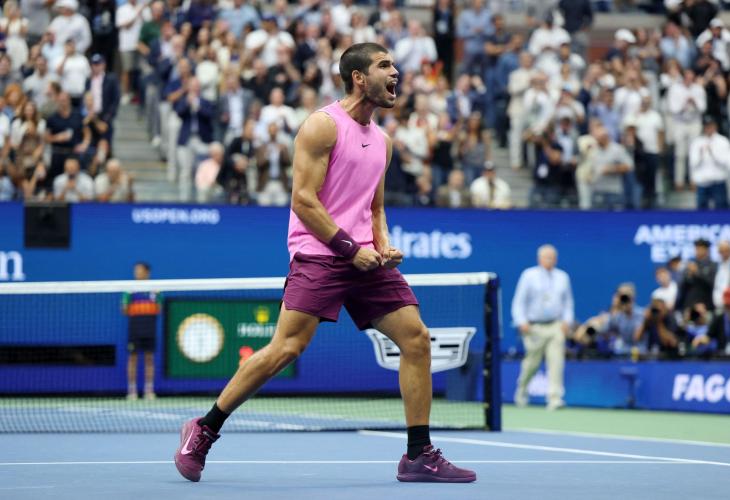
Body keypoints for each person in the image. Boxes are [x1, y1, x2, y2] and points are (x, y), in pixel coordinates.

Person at [174, 43, 476, 484]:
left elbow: (375, 208)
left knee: (416, 339)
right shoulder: (322, 125)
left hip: (366, 260)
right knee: (286, 349)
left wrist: (384, 245)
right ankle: (204, 428)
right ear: (359, 77)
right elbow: (303, 200)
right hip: (320, 254)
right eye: (384, 65)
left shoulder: (383, 142)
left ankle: (418, 455)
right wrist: (351, 248)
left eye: (394, 65)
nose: (396, 72)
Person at [511, 244, 574, 410]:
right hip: (534, 327)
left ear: (556, 259)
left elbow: (568, 302)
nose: (549, 260)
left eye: (552, 257)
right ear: (539, 259)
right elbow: (519, 301)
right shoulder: (528, 275)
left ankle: (555, 398)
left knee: (556, 361)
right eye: (546, 257)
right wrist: (521, 321)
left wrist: (567, 321)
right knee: (532, 363)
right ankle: (522, 390)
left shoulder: (563, 277)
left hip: (555, 325)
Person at [122, 262, 161, 400]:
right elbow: (124, 309)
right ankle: (131, 391)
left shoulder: (155, 290)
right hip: (135, 329)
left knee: (149, 359)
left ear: (147, 272)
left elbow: (159, 308)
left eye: (139, 270)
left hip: (149, 328)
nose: (137, 273)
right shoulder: (130, 290)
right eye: (135, 270)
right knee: (132, 358)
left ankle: (149, 390)